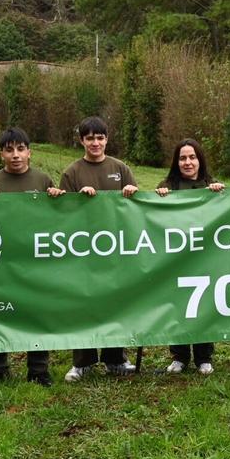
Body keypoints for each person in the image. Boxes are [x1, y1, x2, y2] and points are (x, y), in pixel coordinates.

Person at [0, 127, 64, 388]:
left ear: (29, 152)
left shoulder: (43, 180)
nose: (15, 155)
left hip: (36, 261)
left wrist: (56, 198)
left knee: (37, 313)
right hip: (2, 262)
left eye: (20, 149)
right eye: (9, 150)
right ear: (1, 154)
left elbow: (57, 221)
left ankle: (38, 370)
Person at [60, 116, 139, 382]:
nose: (95, 143)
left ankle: (115, 359)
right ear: (81, 141)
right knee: (84, 303)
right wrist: (77, 200)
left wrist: (133, 192)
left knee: (116, 303)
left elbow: (136, 209)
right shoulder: (71, 173)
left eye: (100, 137)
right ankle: (83, 362)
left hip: (116, 248)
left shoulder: (121, 168)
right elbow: (62, 214)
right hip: (83, 250)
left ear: (107, 139)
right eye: (90, 138)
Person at [156, 138, 225, 375]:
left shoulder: (211, 184)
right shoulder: (167, 186)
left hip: (205, 257)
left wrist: (220, 195)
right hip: (177, 257)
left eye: (192, 157)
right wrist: (159, 197)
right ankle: (179, 356)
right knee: (179, 304)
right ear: (176, 162)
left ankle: (204, 357)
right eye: (183, 158)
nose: (188, 162)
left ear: (200, 160)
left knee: (204, 305)